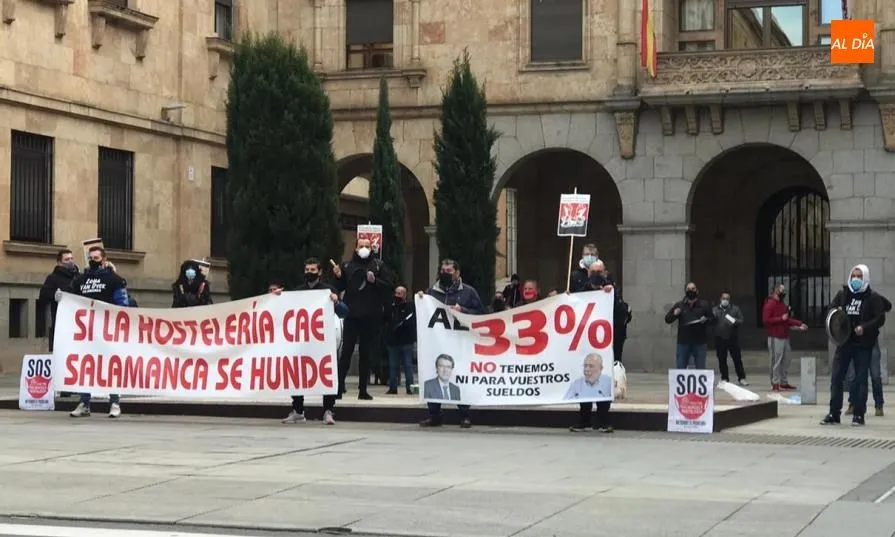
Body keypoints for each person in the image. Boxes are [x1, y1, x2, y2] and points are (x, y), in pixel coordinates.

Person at [417, 258, 484, 428]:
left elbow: (481, 313)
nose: (446, 274)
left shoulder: (468, 292)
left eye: (449, 271)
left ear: (457, 272)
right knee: (434, 374)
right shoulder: (432, 292)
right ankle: (434, 415)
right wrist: (421, 300)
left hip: (460, 344)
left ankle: (465, 415)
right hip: (438, 343)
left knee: (461, 377)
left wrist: (463, 311)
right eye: (443, 271)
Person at [821, 264, 887, 427]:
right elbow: (830, 310)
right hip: (844, 343)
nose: (855, 279)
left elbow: (880, 318)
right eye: (853, 276)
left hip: (863, 345)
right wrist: (835, 312)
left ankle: (858, 414)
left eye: (859, 276)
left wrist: (864, 328)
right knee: (837, 378)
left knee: (860, 380)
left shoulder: (872, 297)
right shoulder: (843, 295)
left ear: (865, 278)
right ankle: (834, 413)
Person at [282, 258, 344, 425]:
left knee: (327, 373)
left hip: (323, 341)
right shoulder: (298, 291)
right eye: (307, 270)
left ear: (320, 272)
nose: (309, 273)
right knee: (297, 374)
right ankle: (298, 410)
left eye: (312, 270)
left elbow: (345, 311)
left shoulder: (328, 290)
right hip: (303, 341)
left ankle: (328, 410)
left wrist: (335, 300)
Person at [69, 246, 128, 419]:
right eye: (91, 257)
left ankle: (115, 402)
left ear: (103, 260)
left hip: (107, 330)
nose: (93, 261)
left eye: (96, 258)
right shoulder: (80, 280)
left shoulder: (114, 280)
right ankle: (84, 403)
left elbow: (122, 304)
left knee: (111, 366)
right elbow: (73, 300)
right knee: (85, 366)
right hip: (86, 330)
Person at [333, 237, 395, 400]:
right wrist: (338, 277)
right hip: (352, 315)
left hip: (371, 315)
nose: (364, 248)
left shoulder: (378, 265)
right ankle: (338, 388)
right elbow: (338, 288)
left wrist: (375, 281)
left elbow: (389, 286)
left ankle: (363, 389)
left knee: (366, 353)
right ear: (355, 247)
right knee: (346, 352)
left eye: (367, 246)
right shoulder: (347, 266)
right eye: (361, 246)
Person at [569, 261, 616, 433]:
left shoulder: (611, 291)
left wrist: (612, 294)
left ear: (605, 272)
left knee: (603, 381)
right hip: (585, 344)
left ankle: (603, 419)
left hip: (604, 344)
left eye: (599, 271)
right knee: (586, 379)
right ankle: (584, 419)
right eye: (593, 271)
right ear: (588, 273)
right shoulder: (581, 293)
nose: (596, 273)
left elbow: (620, 313)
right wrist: (568, 299)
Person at [762, 283, 807, 391]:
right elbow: (766, 320)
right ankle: (775, 382)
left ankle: (783, 381)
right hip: (775, 336)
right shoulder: (770, 304)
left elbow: (787, 320)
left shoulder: (782, 305)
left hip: (784, 336)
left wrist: (799, 324)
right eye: (782, 290)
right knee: (775, 360)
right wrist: (780, 319)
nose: (784, 292)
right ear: (776, 290)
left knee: (786, 359)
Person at [665, 282, 714, 370]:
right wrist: (675, 314)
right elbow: (667, 319)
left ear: (697, 291)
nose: (691, 291)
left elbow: (713, 320)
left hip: (700, 342)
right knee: (681, 367)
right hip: (683, 342)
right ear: (685, 291)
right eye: (688, 289)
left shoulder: (704, 305)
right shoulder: (679, 305)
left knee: (700, 368)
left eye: (693, 289)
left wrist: (705, 319)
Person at [37, 249, 79, 353]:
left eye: (71, 258)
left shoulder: (80, 277)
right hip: (60, 325)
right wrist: (54, 295)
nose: (70, 261)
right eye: (67, 259)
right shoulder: (53, 278)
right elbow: (43, 297)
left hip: (78, 325)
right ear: (59, 262)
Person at [384, 286, 416, 395]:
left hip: (406, 341)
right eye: (396, 293)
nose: (397, 296)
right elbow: (386, 319)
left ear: (405, 295)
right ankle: (393, 388)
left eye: (400, 293)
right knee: (393, 366)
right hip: (393, 341)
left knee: (408, 365)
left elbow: (411, 321)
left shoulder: (410, 306)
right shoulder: (391, 306)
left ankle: (410, 388)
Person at [713, 291, 748, 386]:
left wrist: (733, 320)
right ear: (720, 299)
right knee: (722, 359)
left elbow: (741, 320)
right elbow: (711, 321)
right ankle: (724, 377)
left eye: (727, 299)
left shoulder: (735, 309)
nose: (725, 300)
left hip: (732, 337)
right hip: (720, 338)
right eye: (724, 298)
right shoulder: (715, 310)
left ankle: (741, 378)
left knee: (737, 358)